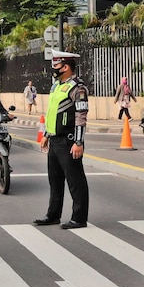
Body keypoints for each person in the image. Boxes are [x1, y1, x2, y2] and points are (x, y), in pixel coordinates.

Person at [33, 50, 90, 230]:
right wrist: (47, 135)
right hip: (55, 140)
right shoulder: (56, 86)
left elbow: (81, 116)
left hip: (69, 140)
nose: (53, 69)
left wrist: (78, 142)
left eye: (56, 66)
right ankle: (53, 215)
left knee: (75, 181)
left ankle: (79, 218)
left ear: (65, 67)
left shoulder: (78, 88)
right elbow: (52, 114)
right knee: (55, 180)